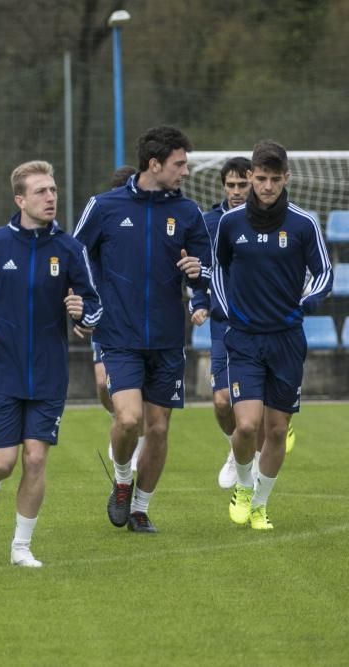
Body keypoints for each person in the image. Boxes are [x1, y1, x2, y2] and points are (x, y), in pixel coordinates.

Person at [0, 161, 101, 567]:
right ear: (20, 199)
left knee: (35, 458)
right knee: (3, 462)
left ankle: (21, 547)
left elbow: (94, 306)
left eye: (53, 190)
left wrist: (81, 313)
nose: (50, 197)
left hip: (50, 374)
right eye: (40, 192)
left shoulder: (70, 249)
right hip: (2, 371)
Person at [73, 125, 212, 533]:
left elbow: (207, 269)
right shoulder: (104, 206)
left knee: (158, 428)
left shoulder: (188, 213)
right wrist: (82, 306)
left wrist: (197, 272)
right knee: (129, 420)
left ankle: (139, 508)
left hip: (168, 339)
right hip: (119, 335)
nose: (186, 172)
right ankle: (121, 480)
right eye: (179, 164)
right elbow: (72, 257)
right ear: (155, 164)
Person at [212, 140, 331, 530]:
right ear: (249, 177)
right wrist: (229, 312)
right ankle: (244, 487)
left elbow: (324, 273)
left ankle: (261, 504)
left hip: (286, 339)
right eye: (260, 178)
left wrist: (306, 304)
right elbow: (217, 270)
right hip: (244, 339)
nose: (266, 186)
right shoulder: (231, 224)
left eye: (274, 179)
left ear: (286, 179)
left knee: (277, 430)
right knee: (246, 425)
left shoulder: (302, 223)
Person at [202, 158, 297, 489]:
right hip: (223, 326)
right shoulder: (213, 222)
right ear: (223, 187)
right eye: (232, 185)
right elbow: (206, 270)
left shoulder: (271, 222)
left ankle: (251, 458)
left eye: (244, 184)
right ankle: (237, 449)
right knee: (221, 401)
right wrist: (201, 303)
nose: (238, 191)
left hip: (264, 329)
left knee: (260, 411)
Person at [98, 165, 144, 472]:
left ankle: (131, 430)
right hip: (105, 317)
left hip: (137, 322)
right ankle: (121, 416)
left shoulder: (144, 223)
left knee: (133, 404)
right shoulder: (103, 217)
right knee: (102, 384)